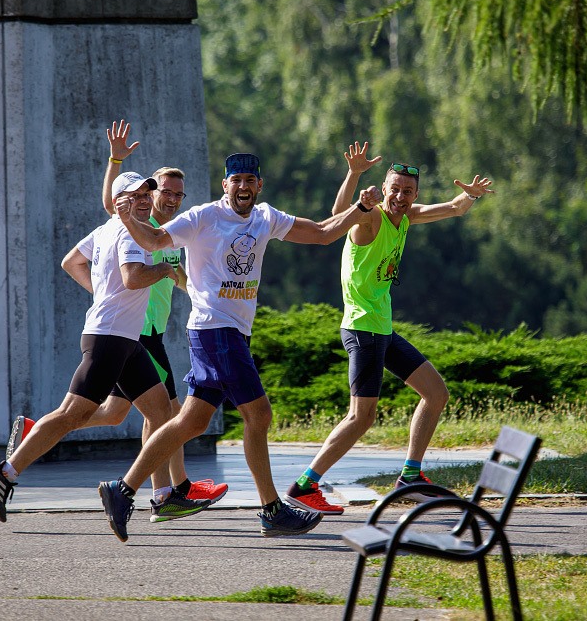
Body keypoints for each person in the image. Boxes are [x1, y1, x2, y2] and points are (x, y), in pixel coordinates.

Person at [97, 150, 383, 541]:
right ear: (225, 184)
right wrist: (127, 216)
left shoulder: (266, 217)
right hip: (214, 329)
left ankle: (122, 489)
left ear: (258, 185)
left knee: (191, 421)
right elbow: (157, 237)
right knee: (259, 414)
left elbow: (321, 232)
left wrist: (360, 208)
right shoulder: (203, 217)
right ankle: (271, 510)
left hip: (231, 333)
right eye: (237, 180)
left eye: (250, 181)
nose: (244, 187)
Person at [4, 121, 228, 511]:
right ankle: (171, 491)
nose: (169, 199)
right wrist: (116, 160)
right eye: (162, 192)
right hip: (131, 332)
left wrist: (203, 294)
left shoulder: (169, 230)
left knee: (118, 413)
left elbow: (178, 275)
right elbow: (116, 223)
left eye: (177, 193)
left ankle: (37, 431)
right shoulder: (137, 228)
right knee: (166, 413)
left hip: (142, 332)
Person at [285, 142, 493, 515]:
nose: (400, 196)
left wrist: (470, 196)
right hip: (362, 329)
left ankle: (410, 478)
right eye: (394, 189)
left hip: (382, 328)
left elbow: (454, 208)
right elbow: (337, 216)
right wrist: (353, 177)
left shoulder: (407, 217)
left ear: (415, 195)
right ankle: (304, 486)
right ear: (384, 189)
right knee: (360, 417)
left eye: (407, 191)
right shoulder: (373, 219)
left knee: (436, 393)